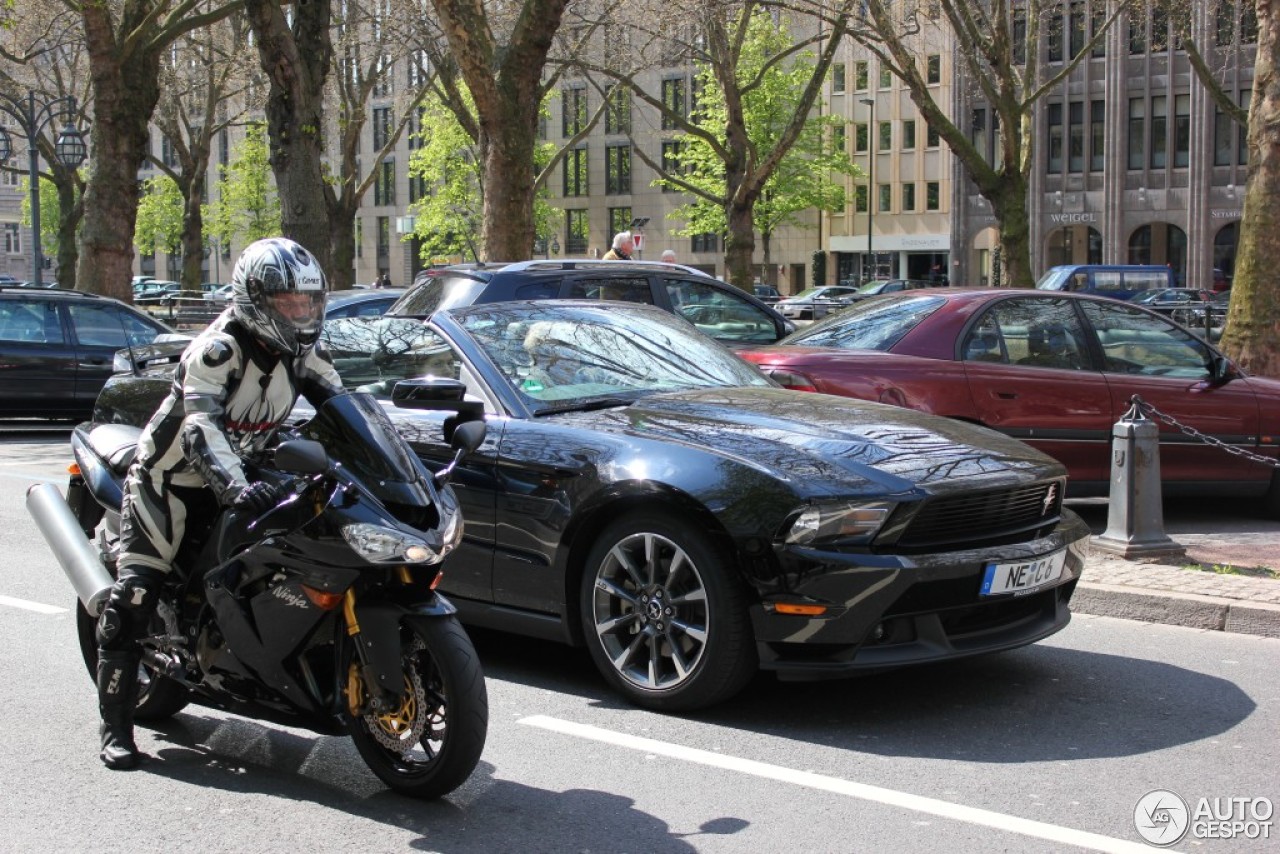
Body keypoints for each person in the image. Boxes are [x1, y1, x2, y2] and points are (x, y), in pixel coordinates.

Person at [94, 237, 343, 770]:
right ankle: (115, 726)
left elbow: (346, 408)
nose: (299, 313)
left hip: (242, 472)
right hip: (172, 481)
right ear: (255, 299)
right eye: (287, 303)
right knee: (135, 597)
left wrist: (391, 462)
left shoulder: (304, 352)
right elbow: (201, 427)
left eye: (307, 302)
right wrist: (235, 487)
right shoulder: (219, 349)